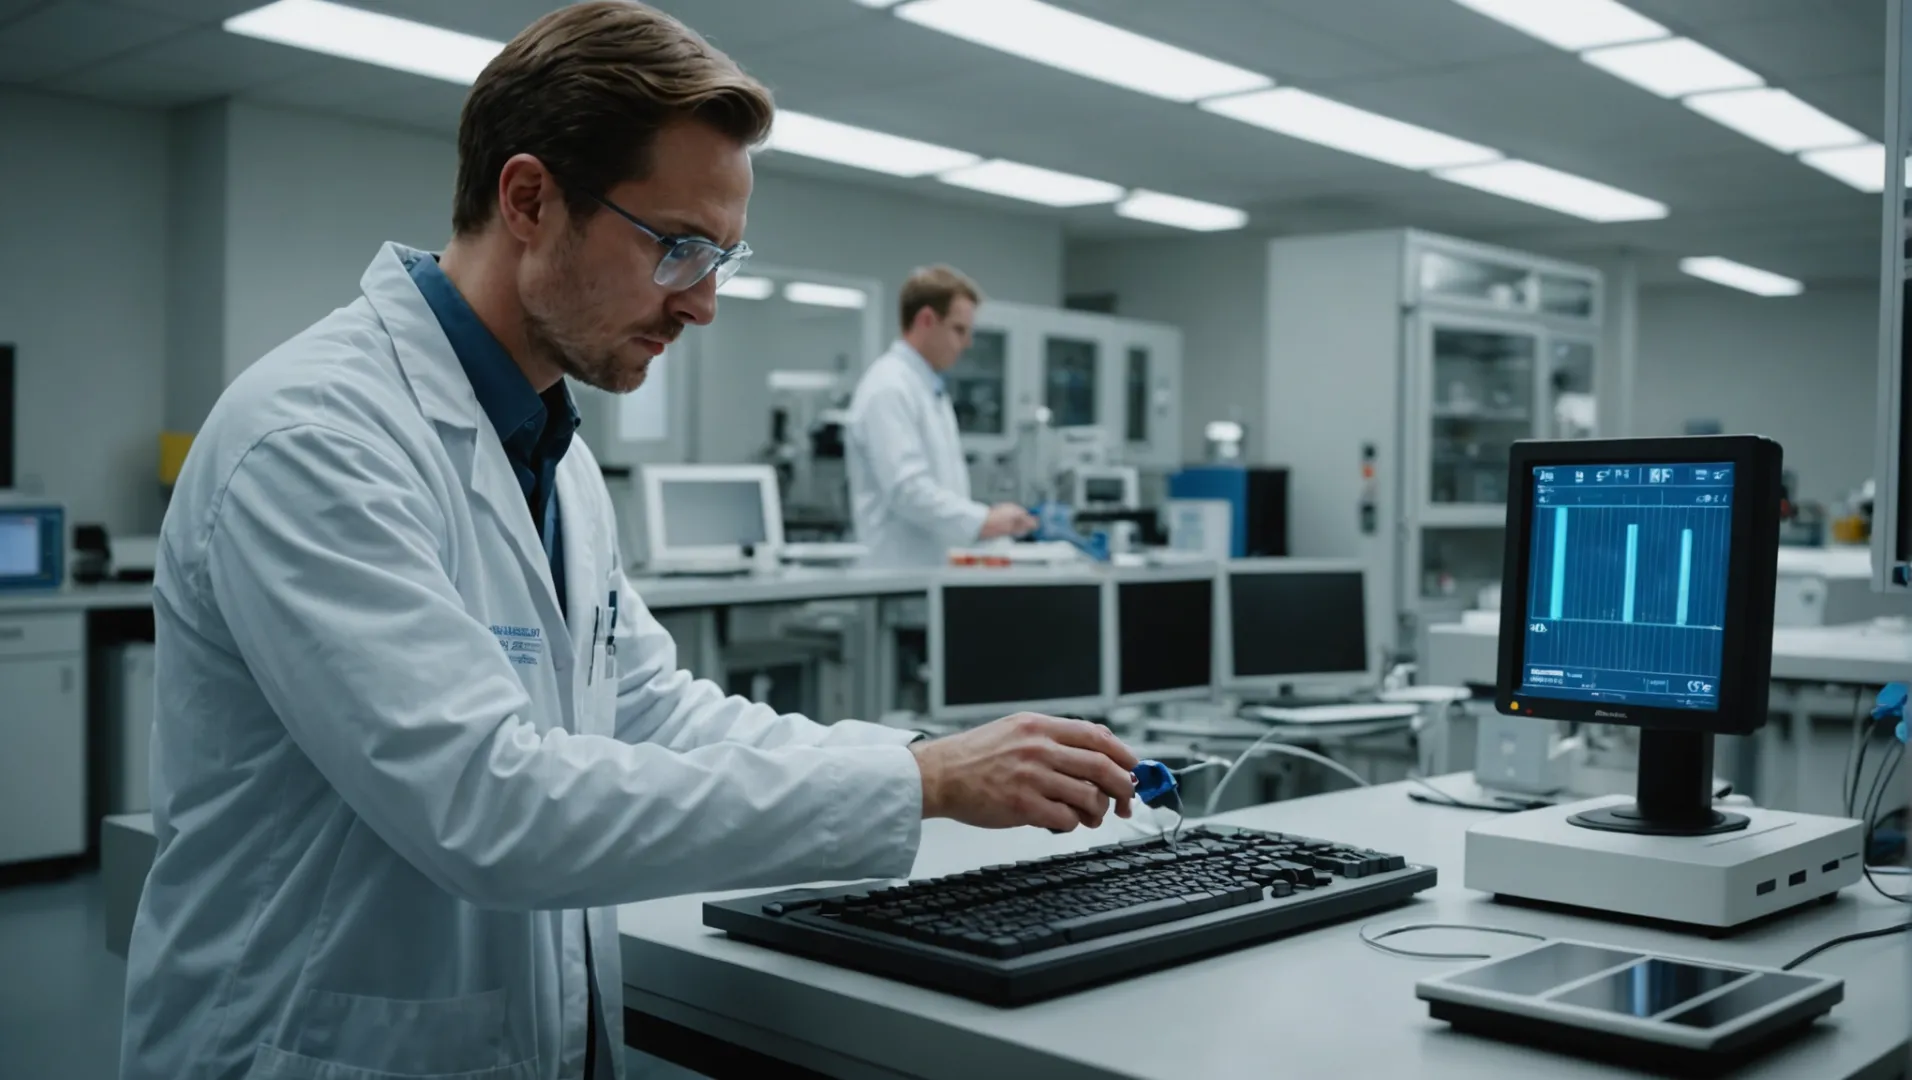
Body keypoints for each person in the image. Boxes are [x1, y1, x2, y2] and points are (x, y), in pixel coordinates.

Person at [118, 5, 1139, 1079]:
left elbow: (653, 712)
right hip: (311, 1047)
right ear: (528, 199)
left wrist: (910, 760)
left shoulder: (549, 446)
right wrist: (917, 788)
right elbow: (489, 806)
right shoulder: (317, 439)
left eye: (723, 258)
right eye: (677, 247)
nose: (701, 303)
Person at [846, 266, 1039, 568]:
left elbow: (939, 490)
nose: (967, 343)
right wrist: (983, 520)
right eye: (959, 330)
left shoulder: (927, 389)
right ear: (926, 320)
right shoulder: (888, 388)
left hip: (931, 574)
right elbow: (907, 490)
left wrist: (985, 525)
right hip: (899, 577)